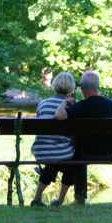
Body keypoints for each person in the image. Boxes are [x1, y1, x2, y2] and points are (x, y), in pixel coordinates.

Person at [55, 71, 112, 204]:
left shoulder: (80, 107)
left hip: (87, 154)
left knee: (78, 155)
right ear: (97, 87)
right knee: (79, 153)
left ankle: (80, 197)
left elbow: (60, 116)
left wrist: (65, 103)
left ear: (82, 89)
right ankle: (78, 197)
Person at [30, 71, 76, 207]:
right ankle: (60, 200)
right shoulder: (71, 105)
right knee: (71, 163)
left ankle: (37, 198)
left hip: (41, 151)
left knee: (53, 163)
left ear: (54, 85)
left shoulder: (42, 104)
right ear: (71, 88)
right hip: (61, 152)